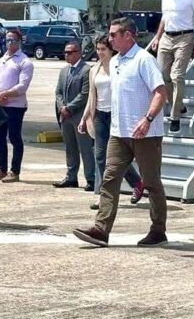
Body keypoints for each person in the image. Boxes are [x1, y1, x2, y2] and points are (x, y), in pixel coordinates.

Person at [73, 17, 168, 247]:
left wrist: (147, 119)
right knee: (109, 179)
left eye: (114, 34)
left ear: (128, 35)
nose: (110, 37)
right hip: (119, 133)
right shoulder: (115, 62)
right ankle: (101, 230)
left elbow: (160, 92)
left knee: (152, 183)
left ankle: (158, 231)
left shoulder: (144, 60)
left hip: (145, 134)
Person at [78, 35, 144, 210]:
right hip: (99, 114)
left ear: (111, 49)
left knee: (116, 157)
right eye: (98, 49)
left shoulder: (118, 66)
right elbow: (92, 96)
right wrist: (84, 118)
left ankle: (136, 182)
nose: (100, 53)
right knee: (100, 156)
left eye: (103, 49)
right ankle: (103, 195)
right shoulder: (94, 70)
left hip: (117, 114)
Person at [149, 0, 194, 133]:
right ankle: (178, 105)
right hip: (167, 37)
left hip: (185, 36)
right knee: (162, 75)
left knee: (177, 76)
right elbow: (164, 18)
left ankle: (175, 117)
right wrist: (157, 37)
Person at [0, 28, 33, 183]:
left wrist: (4, 94)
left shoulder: (24, 61)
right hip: (0, 104)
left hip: (15, 106)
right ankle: (2, 168)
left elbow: (22, 86)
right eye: (7, 40)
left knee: (14, 137)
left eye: (13, 40)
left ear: (19, 41)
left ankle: (15, 170)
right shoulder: (2, 59)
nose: (10, 43)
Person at [53, 41, 94, 190]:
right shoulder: (64, 71)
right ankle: (71, 177)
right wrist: (61, 106)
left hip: (79, 116)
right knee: (70, 148)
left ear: (78, 53)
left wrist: (69, 108)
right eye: (65, 52)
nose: (66, 55)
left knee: (85, 149)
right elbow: (58, 92)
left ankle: (91, 178)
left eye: (69, 52)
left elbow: (85, 94)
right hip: (65, 117)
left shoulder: (86, 70)